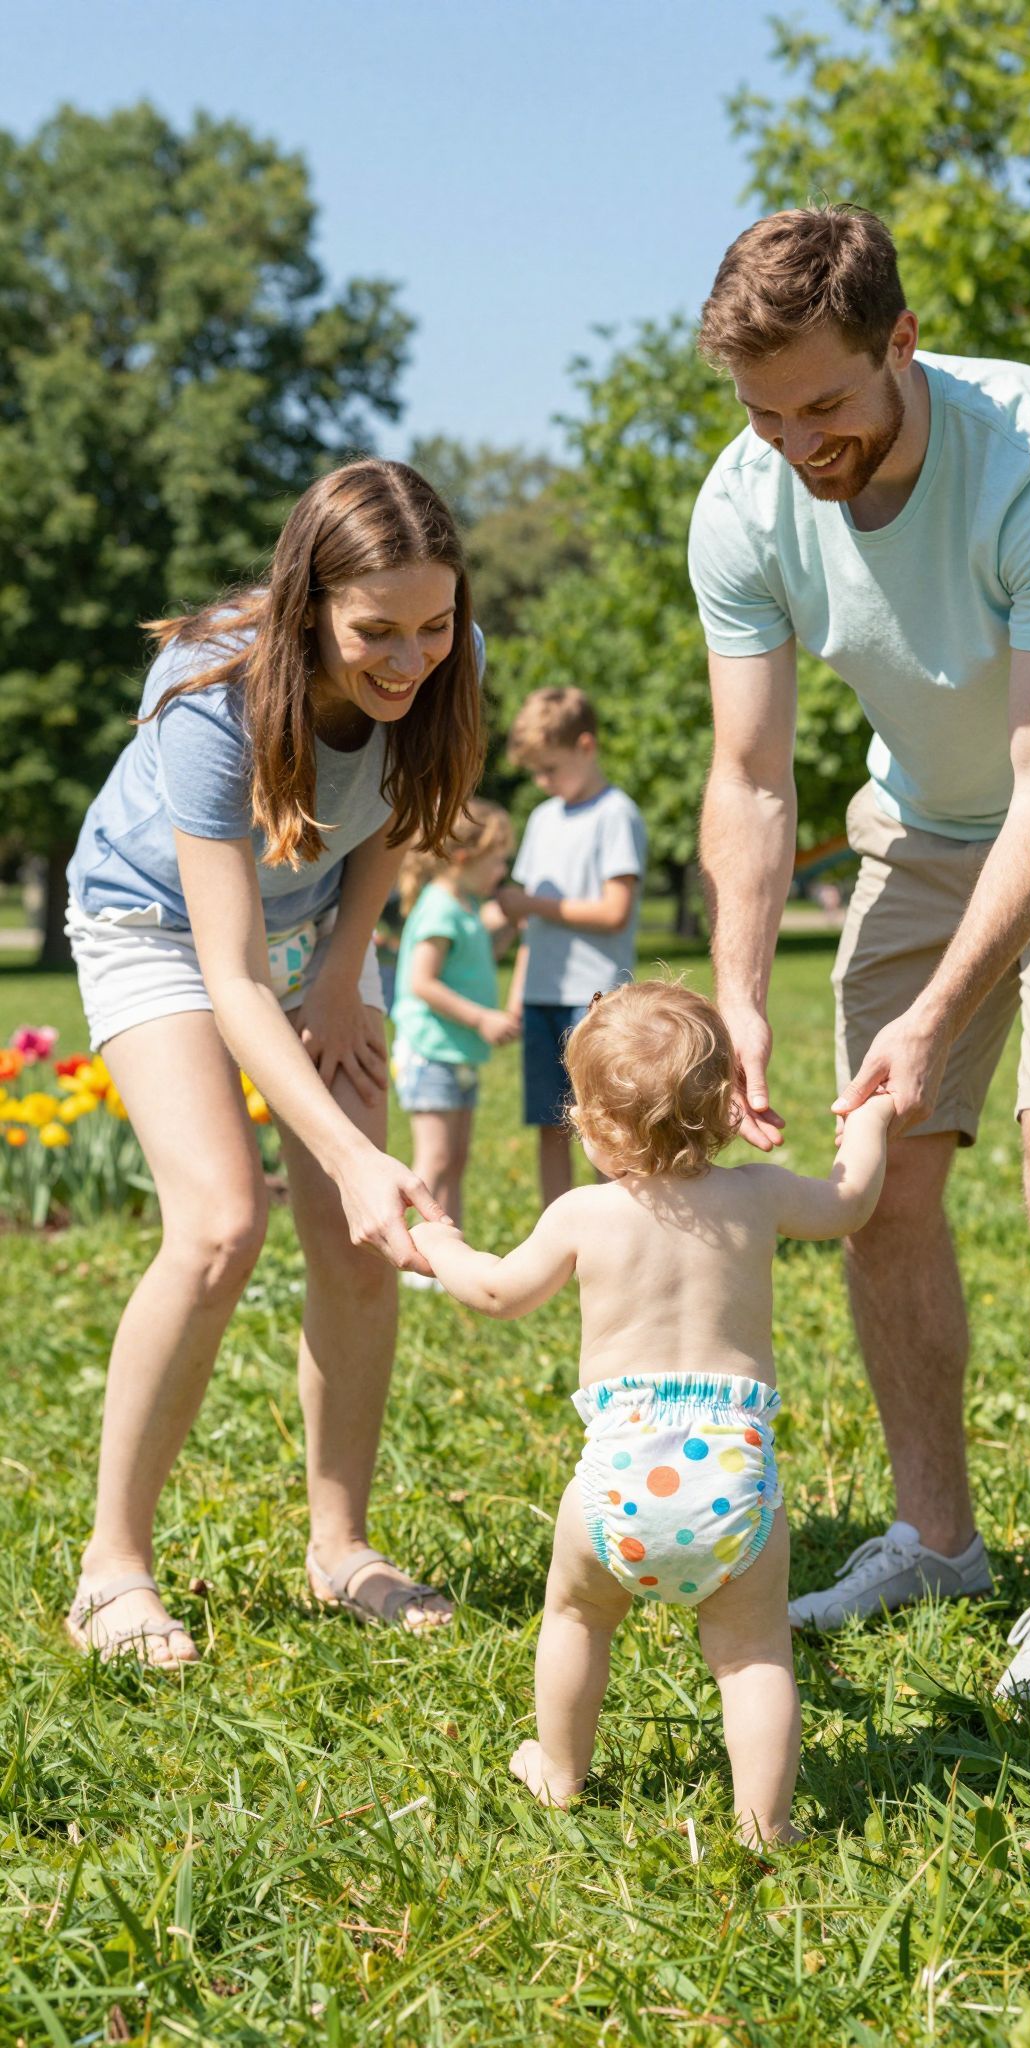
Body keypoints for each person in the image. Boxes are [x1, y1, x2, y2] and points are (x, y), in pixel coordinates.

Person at [689, 205, 1030, 1710]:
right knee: (880, 1168)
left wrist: (941, 1010)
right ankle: (937, 1539)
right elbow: (752, 782)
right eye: (763, 412)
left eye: (822, 404)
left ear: (900, 342)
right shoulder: (744, 500)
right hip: (921, 828)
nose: (794, 443)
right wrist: (740, 1001)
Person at [63, 458, 486, 1665]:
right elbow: (230, 972)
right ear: (308, 607)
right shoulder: (211, 695)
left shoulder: (445, 662)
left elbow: (389, 833)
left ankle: (340, 1548)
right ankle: (111, 1568)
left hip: (310, 938)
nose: (410, 659)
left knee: (361, 1242)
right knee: (217, 1221)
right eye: (377, 634)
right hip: (157, 928)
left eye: (436, 626)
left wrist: (350, 975)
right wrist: (354, 1152)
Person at [410, 980, 896, 1847]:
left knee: (574, 1616)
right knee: (752, 1658)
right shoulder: (759, 1197)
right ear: (724, 1106)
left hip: (619, 1482)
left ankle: (559, 1771)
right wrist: (872, 1115)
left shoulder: (581, 1215)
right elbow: (852, 1200)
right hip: (733, 1481)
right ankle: (765, 1825)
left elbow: (492, 1291)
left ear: (592, 1127)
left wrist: (437, 1242)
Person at [497, 687, 647, 1206]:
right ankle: (557, 1227)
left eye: (551, 769)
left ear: (586, 747)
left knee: (606, 1122)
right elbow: (527, 929)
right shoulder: (542, 818)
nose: (543, 782)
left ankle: (619, 1225)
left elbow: (614, 911)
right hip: (542, 992)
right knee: (550, 1120)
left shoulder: (615, 814)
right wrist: (517, 993)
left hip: (595, 999)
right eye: (536, 772)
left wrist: (532, 906)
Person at [391, 798, 519, 1283]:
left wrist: (508, 934)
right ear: (465, 858)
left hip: (454, 1054)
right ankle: (415, 1262)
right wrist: (482, 1018)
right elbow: (423, 981)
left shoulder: (464, 906)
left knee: (456, 1158)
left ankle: (451, 1252)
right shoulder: (440, 908)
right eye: (498, 859)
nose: (503, 870)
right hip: (431, 1053)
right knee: (434, 1160)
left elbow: (474, 958)